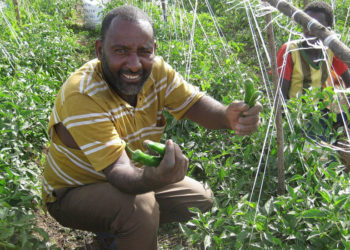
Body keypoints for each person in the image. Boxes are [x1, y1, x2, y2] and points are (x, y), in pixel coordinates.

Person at [41, 5, 262, 250]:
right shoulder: (82, 95)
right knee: (140, 208)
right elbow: (119, 172)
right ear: (99, 50)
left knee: (200, 199)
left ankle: (116, 235)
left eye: (144, 51)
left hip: (128, 174)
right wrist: (151, 179)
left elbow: (194, 104)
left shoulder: (156, 71)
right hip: (73, 191)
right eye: (120, 51)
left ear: (154, 50)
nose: (134, 64)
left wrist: (226, 116)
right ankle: (123, 228)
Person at [277, 1, 350, 142]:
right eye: (306, 24)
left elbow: (348, 81)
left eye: (316, 26)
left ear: (327, 29)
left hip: (320, 110)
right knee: (321, 152)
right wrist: (289, 125)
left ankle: (334, 131)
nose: (310, 30)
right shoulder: (290, 51)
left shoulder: (330, 50)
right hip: (297, 114)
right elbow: (281, 96)